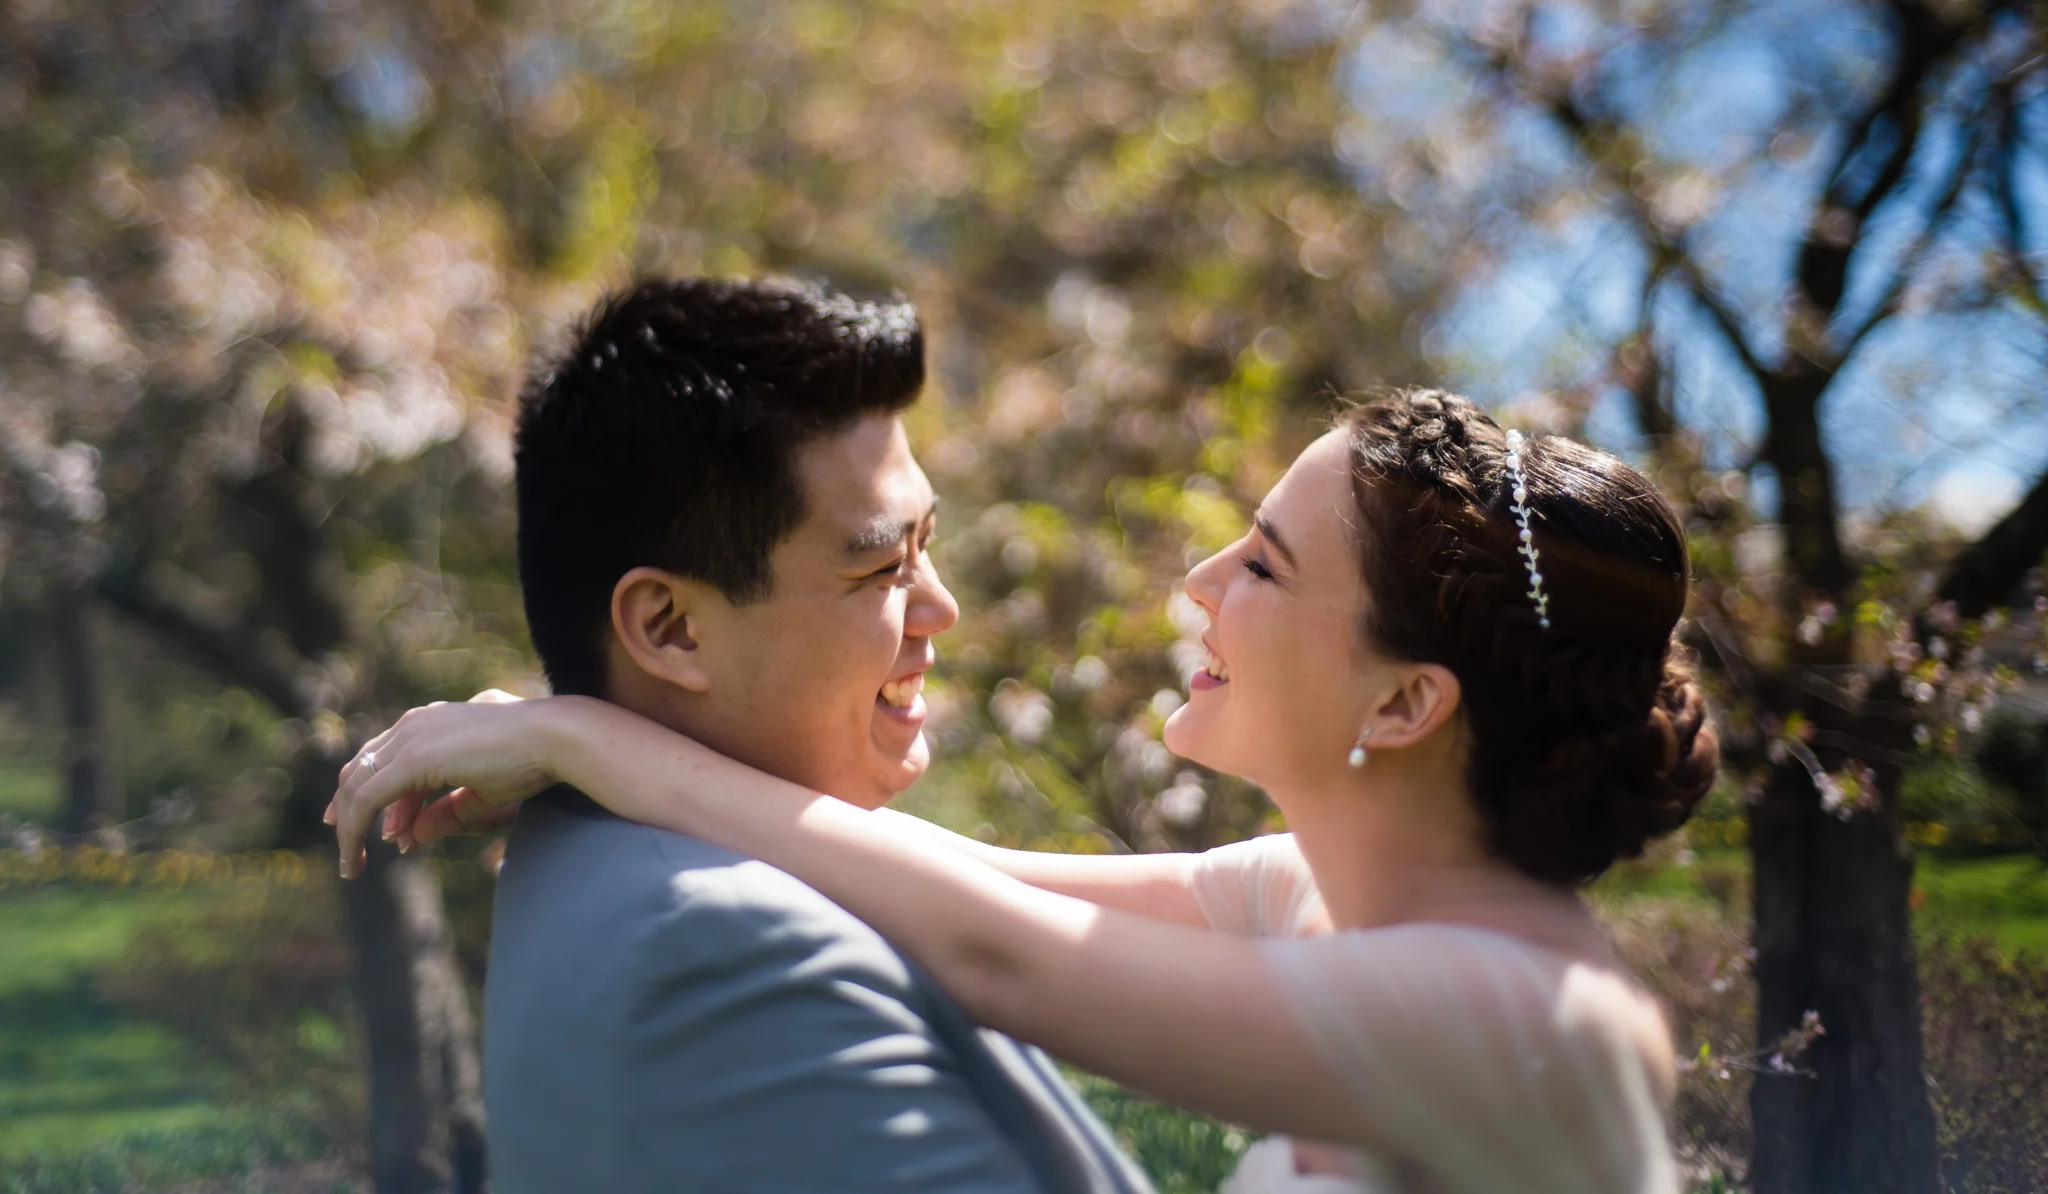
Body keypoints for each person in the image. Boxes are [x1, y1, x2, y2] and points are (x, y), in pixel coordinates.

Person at [334, 387, 1718, 1194]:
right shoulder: (1319, 894)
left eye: (1267, 566)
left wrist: (600, 743)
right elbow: (952, 876)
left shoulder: (1523, 1015)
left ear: (1407, 702)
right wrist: (595, 731)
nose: (1199, 585)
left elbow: (996, 950)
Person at [360, 276, 1154, 1193]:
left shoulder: (585, 840)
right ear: (669, 629)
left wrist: (586, 736)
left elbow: (1240, 903)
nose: (942, 605)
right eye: (882, 567)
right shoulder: (726, 955)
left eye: (927, 544)